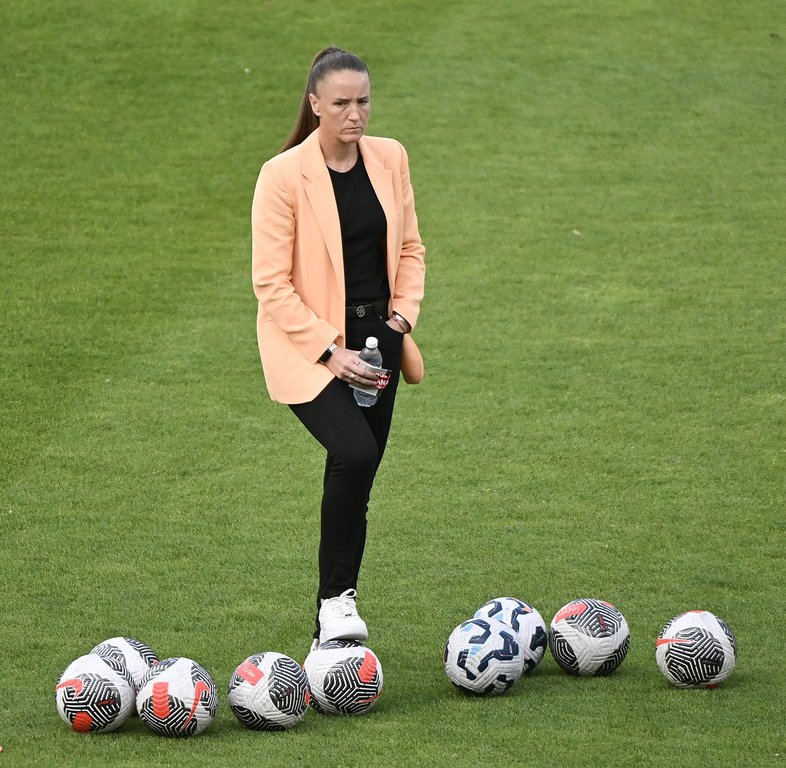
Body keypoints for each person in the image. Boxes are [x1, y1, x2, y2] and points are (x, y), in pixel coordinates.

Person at [251, 47, 426, 653]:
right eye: (343, 103)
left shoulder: (391, 157)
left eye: (364, 101)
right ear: (316, 105)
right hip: (311, 349)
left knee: (360, 474)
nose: (356, 114)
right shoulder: (282, 175)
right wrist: (331, 353)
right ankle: (335, 603)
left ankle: (333, 625)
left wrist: (401, 319)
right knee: (353, 452)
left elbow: (411, 249)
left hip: (381, 341)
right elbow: (271, 284)